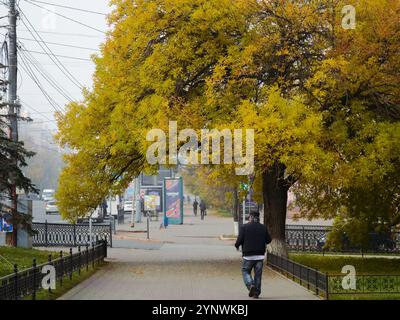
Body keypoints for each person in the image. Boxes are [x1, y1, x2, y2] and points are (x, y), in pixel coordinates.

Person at [235, 211, 272, 299]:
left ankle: (251, 285)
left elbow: (240, 239)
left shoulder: (244, 227)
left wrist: (236, 245)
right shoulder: (263, 227)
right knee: (258, 275)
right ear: (258, 218)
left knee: (245, 271)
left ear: (250, 217)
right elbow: (268, 240)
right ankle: (256, 293)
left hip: (248, 255)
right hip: (260, 255)